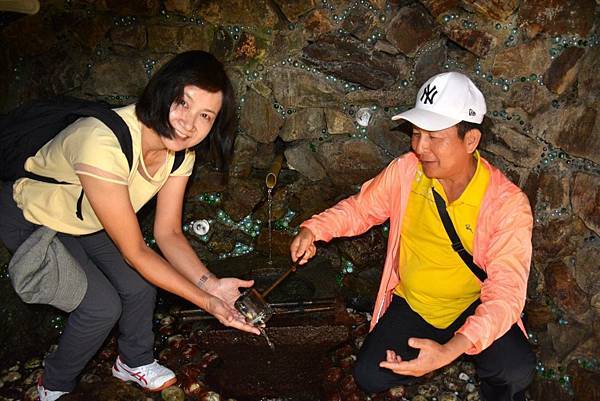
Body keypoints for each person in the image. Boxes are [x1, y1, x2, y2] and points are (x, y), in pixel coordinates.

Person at [0, 50, 260, 401]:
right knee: (100, 306)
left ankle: (133, 361)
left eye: (205, 115)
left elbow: (167, 233)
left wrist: (212, 286)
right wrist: (208, 303)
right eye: (182, 103)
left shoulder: (180, 154)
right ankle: (55, 384)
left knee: (139, 288)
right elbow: (136, 251)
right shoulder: (102, 142)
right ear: (161, 92)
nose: (188, 123)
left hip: (85, 217)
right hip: (32, 213)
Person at [290, 72, 536, 401]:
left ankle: (465, 365)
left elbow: (505, 296)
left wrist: (450, 350)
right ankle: (429, 358)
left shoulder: (507, 204)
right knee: (368, 375)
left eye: (434, 137)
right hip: (415, 304)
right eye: (417, 134)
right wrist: (314, 229)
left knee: (515, 371)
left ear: (471, 140)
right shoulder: (408, 171)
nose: (420, 147)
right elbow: (362, 210)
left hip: (471, 304)